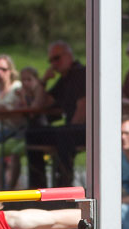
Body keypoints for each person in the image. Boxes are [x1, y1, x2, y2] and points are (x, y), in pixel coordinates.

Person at [25, 41, 87, 189]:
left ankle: (64, 187)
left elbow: (83, 107)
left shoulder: (81, 74)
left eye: (57, 58)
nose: (54, 64)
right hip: (70, 129)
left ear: (69, 56)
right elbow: (41, 104)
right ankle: (38, 189)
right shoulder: (64, 79)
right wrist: (43, 81)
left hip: (87, 129)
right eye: (51, 60)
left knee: (64, 135)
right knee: (32, 135)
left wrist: (71, 127)